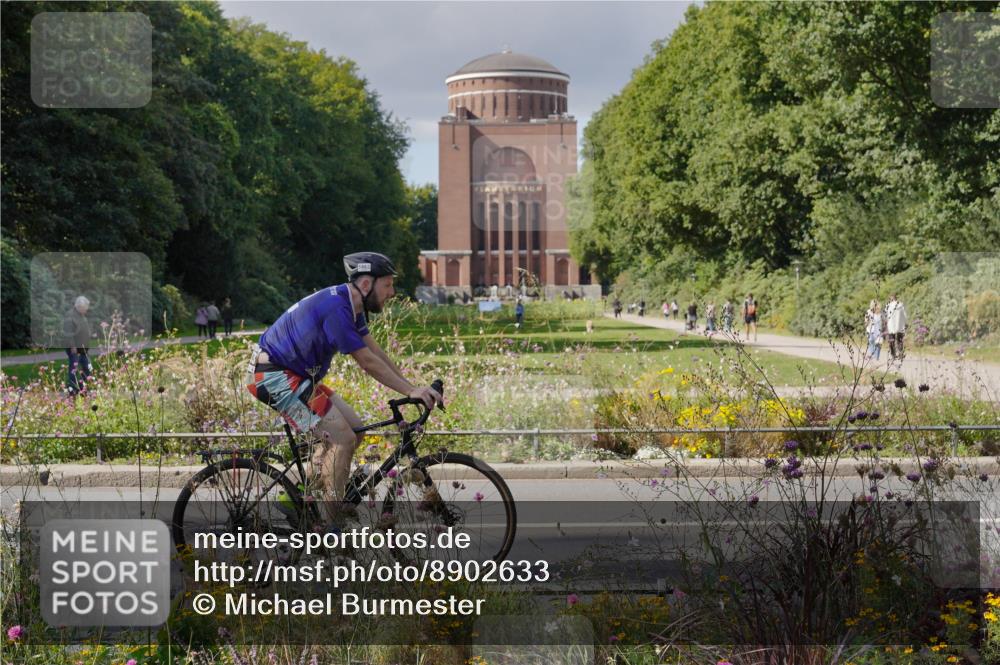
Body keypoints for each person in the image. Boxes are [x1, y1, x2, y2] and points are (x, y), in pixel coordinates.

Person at [246, 252, 442, 524]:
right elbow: (366, 362)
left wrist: (411, 387)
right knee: (342, 438)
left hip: (296, 376)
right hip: (273, 377)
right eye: (387, 285)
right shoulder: (337, 308)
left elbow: (375, 352)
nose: (392, 292)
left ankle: (295, 496)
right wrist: (410, 392)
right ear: (366, 284)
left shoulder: (352, 305)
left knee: (356, 430)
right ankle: (331, 527)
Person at [64, 295, 93, 395]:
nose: (86, 310)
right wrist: (73, 346)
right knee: (74, 370)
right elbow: (68, 333)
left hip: (83, 348)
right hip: (75, 348)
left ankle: (82, 388)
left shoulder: (81, 315)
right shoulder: (70, 316)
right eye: (85, 308)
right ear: (79, 306)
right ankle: (73, 390)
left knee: (87, 368)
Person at [885, 294, 907, 361]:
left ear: (890, 299)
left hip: (891, 325)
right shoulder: (900, 305)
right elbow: (904, 315)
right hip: (899, 325)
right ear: (896, 298)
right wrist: (905, 322)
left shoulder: (888, 305)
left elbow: (886, 314)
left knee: (892, 340)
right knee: (900, 340)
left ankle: (893, 355)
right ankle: (900, 353)